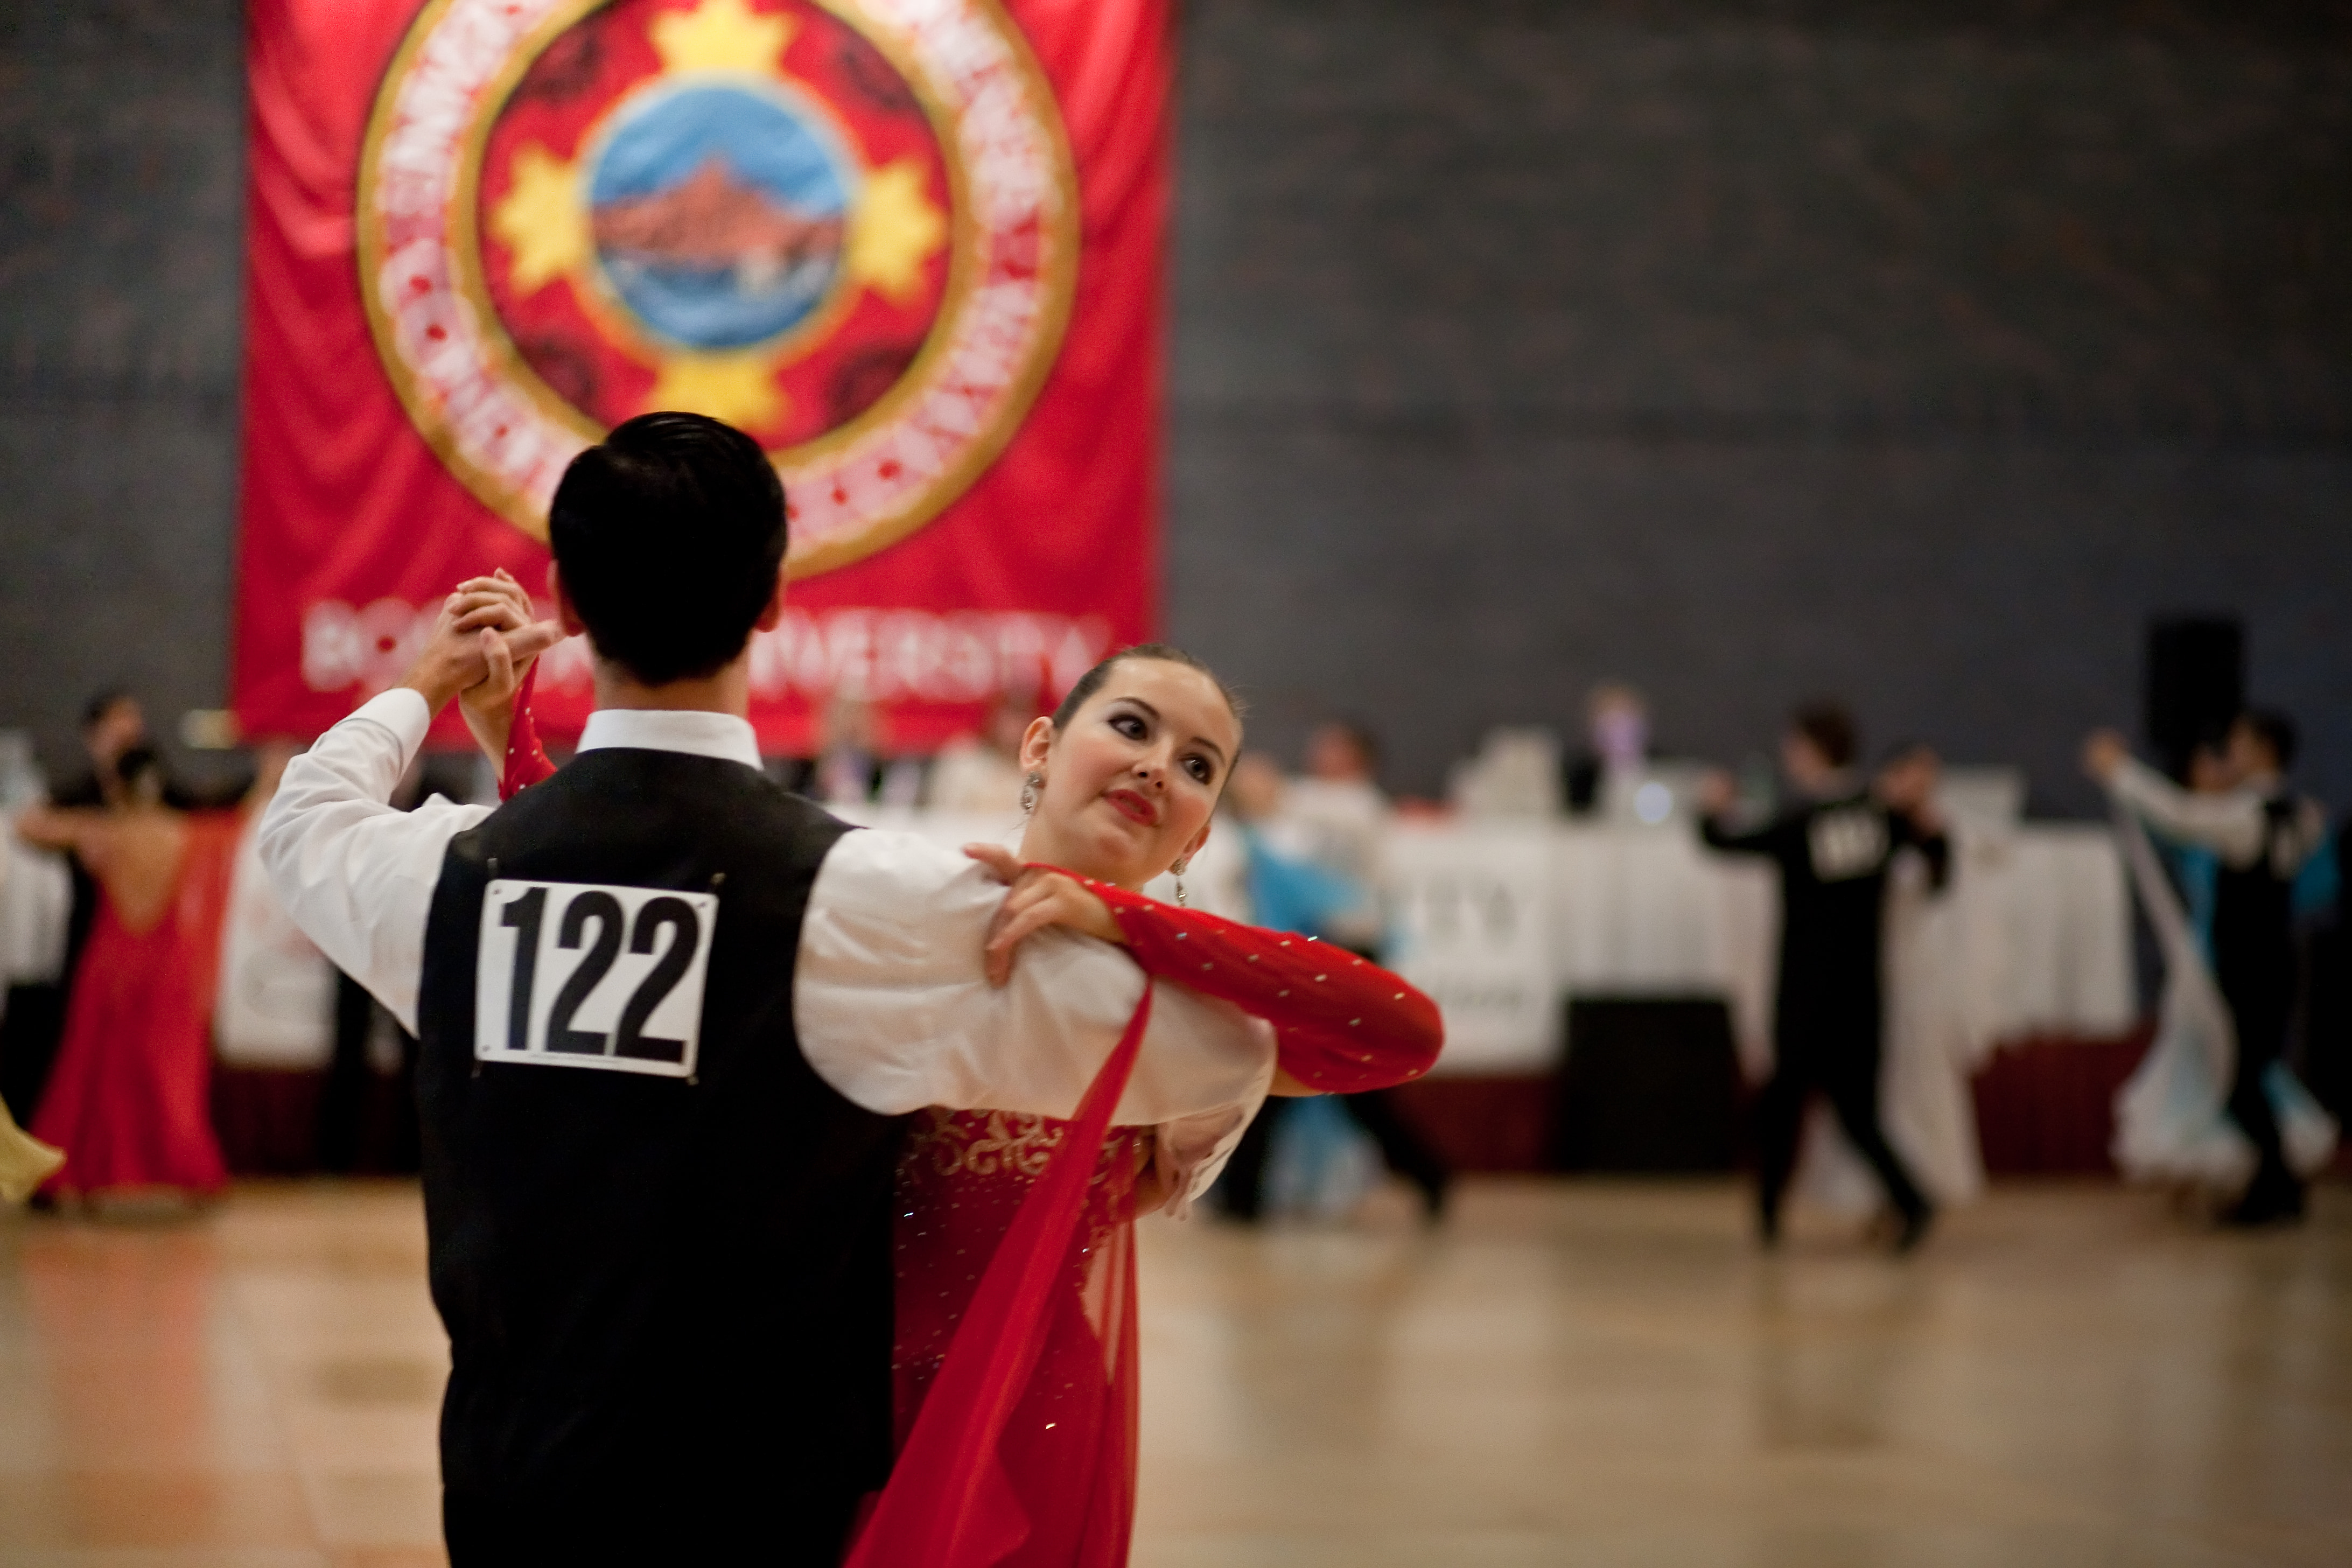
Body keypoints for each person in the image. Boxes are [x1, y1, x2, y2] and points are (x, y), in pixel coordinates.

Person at [257, 414, 1295, 1564]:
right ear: (770, 605)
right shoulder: (871, 896)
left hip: (514, 1476)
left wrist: (421, 684)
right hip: (766, 1502)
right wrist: (1128, 924)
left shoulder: (457, 873)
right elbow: (1228, 1051)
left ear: (572, 598)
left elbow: (307, 823)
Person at [498, 649, 1444, 1566]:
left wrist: (1119, 918)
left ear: (1198, 835)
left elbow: (1402, 1030)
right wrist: (515, 747)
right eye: (1130, 726)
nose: (1158, 766)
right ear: (1039, 746)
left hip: (1032, 1420)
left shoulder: (1179, 1020)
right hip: (825, 1389)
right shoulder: (902, 909)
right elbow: (629, 903)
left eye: (1197, 765)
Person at [1698, 704, 1947, 1251]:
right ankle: (1912, 1201)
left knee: (1784, 1102)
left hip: (1807, 992)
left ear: (1811, 750)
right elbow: (1938, 862)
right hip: (1863, 993)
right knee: (1858, 1113)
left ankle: (1768, 1215)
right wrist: (1931, 826)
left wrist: (1708, 811)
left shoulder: (1802, 823)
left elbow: (1723, 842)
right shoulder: (1882, 816)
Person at [2086, 710, 2331, 1224]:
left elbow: (2180, 816)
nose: (2229, 755)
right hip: (2278, 963)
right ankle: (2276, 1187)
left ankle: (2277, 1188)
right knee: (2249, 1074)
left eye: (2238, 744)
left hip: (2244, 967)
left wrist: (2120, 771)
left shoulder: (2244, 815)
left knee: (2240, 1081)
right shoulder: (2296, 815)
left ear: (2263, 750)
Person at [1216, 731, 1453, 1221]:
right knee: (1298, 1074)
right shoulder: (1311, 821)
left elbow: (1281, 801)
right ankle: (1242, 1196)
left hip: (1350, 957)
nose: (1321, 754)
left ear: (1361, 761)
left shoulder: (1358, 809)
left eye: (1335, 748)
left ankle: (1430, 1173)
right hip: (1315, 958)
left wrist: (1257, 785)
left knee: (1346, 1086)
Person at [15, 748, 239, 1205]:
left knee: (95, 1071)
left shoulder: (104, 833)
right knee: (168, 1072)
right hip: (169, 966)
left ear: (119, 785)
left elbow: (27, 824)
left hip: (113, 965)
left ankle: (83, 1174)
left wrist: (87, 805)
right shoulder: (184, 833)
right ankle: (186, 1172)